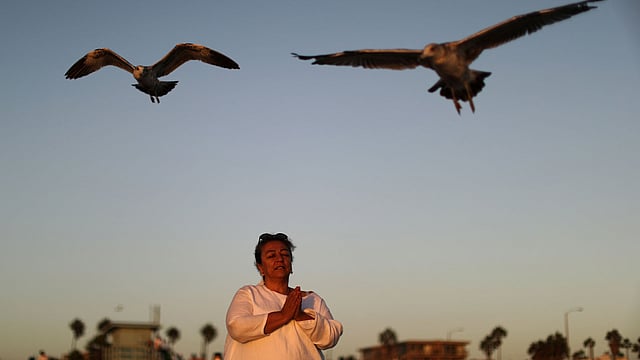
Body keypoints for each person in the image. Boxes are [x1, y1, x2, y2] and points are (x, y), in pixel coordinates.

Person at [224, 232, 343, 359]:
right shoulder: (248, 294)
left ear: (291, 265)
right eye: (271, 256)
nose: (279, 259)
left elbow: (330, 337)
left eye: (285, 254)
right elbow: (236, 326)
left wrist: (301, 315)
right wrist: (283, 315)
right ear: (260, 268)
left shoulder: (312, 299)